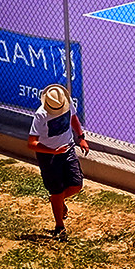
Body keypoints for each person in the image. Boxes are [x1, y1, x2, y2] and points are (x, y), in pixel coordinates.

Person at [25, 83, 89, 238]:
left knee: (76, 185)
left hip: (68, 149)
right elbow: (31, 143)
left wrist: (81, 138)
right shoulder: (41, 115)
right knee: (57, 190)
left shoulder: (66, 103)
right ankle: (59, 226)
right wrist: (52, 151)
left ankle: (57, 201)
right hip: (49, 157)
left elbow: (73, 118)